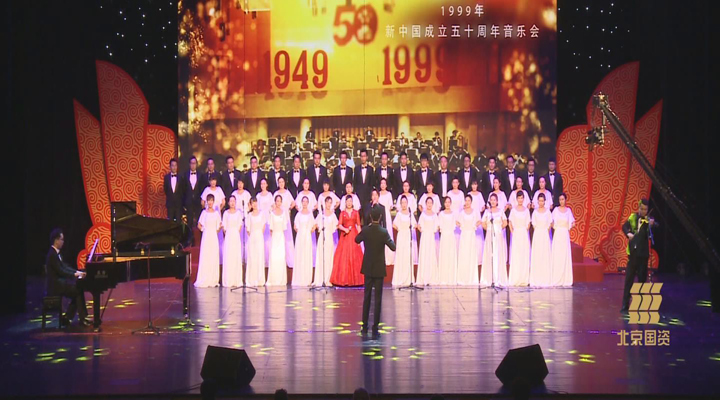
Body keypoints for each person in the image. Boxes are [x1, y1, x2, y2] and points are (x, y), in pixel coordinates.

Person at [355, 207, 396, 338]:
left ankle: (364, 326)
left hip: (368, 267)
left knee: (367, 297)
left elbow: (356, 239)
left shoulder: (366, 230)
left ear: (371, 218)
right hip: (379, 268)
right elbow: (393, 247)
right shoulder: (383, 232)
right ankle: (375, 328)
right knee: (378, 299)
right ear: (380, 217)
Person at [621, 198, 658, 312]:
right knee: (629, 280)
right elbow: (624, 226)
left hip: (643, 254)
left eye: (645, 209)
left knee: (642, 280)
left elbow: (657, 225)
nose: (643, 211)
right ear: (639, 208)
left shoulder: (648, 220)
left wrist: (652, 224)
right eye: (642, 209)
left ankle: (640, 305)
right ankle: (625, 305)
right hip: (633, 254)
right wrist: (628, 233)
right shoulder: (633, 217)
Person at [46, 229, 89, 326]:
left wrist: (77, 272)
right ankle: (81, 318)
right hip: (56, 286)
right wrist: (75, 275)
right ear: (56, 240)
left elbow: (65, 267)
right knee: (78, 290)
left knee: (78, 290)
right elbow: (61, 271)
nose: (63, 242)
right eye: (62, 239)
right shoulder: (52, 255)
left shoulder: (57, 253)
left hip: (60, 283)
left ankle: (69, 317)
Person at [330, 195, 364, 287]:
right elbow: (339, 225)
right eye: (348, 201)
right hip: (345, 236)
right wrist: (345, 229)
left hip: (354, 235)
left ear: (352, 202)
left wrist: (360, 237)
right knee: (343, 256)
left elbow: (358, 225)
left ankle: (356, 280)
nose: (349, 203)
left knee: (355, 255)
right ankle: (343, 280)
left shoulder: (356, 213)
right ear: (345, 202)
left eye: (350, 201)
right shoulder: (342, 213)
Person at [480, 193, 508, 287]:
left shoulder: (500, 211)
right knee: (489, 254)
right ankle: (489, 278)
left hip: (498, 235)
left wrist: (498, 229)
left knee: (497, 254)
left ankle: (498, 278)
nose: (492, 202)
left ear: (497, 201)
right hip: (489, 234)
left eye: (494, 200)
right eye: (491, 200)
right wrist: (488, 229)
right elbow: (483, 223)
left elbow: (505, 222)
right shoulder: (487, 212)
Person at [195, 194, 221, 288]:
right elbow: (199, 225)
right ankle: (204, 278)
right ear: (206, 202)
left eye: (211, 200)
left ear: (213, 202)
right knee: (206, 256)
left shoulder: (216, 213)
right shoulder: (204, 213)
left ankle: (213, 279)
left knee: (213, 256)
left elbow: (219, 226)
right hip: (206, 237)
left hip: (213, 237)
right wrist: (204, 230)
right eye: (208, 200)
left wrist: (213, 231)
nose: (210, 202)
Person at [392, 195, 417, 286]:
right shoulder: (399, 214)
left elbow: (415, 224)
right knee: (401, 255)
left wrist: (410, 228)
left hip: (408, 235)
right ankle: (400, 278)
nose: (404, 204)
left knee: (407, 255)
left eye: (405, 202)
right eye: (402, 203)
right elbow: (394, 224)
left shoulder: (410, 214)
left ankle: (408, 278)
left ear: (407, 203)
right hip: (401, 235)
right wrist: (400, 229)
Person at [551, 193, 575, 287]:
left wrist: (567, 227)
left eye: (563, 199)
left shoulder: (568, 211)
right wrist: (555, 227)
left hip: (564, 234)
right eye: (560, 199)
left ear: (565, 200)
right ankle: (556, 278)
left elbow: (573, 223)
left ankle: (565, 279)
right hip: (558, 234)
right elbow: (551, 221)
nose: (561, 201)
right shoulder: (556, 210)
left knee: (564, 255)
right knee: (557, 255)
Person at [529, 193, 553, 287]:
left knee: (545, 254)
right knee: (537, 254)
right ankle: (536, 278)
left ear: (545, 201)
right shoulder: (535, 212)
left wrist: (545, 231)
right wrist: (539, 232)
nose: (541, 202)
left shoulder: (548, 212)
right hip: (537, 234)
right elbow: (534, 224)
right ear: (537, 201)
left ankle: (545, 278)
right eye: (539, 201)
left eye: (542, 201)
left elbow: (550, 223)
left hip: (545, 234)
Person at [313, 197, 338, 287]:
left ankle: (327, 279)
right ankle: (319, 279)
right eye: (327, 202)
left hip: (329, 237)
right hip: (322, 236)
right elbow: (316, 224)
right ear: (325, 203)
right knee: (321, 257)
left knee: (328, 257)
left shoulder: (333, 215)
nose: (328, 204)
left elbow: (336, 225)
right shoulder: (321, 215)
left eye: (330, 202)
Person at [456, 195, 481, 285]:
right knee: (464, 254)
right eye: (466, 200)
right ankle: (463, 278)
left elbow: (479, 221)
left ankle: (472, 278)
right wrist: (463, 226)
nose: (467, 202)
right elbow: (457, 222)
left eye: (469, 200)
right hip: (464, 235)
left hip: (471, 235)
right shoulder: (462, 213)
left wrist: (473, 226)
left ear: (471, 202)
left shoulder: (475, 212)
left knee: (471, 254)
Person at [508, 192, 531, 287]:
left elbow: (528, 223)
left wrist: (524, 232)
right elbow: (510, 222)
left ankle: (524, 279)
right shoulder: (513, 210)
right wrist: (513, 232)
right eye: (519, 198)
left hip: (523, 234)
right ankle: (516, 278)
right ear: (516, 199)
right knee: (516, 255)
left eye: (522, 198)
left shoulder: (526, 211)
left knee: (524, 255)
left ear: (523, 199)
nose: (520, 200)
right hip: (516, 233)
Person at [292, 196, 316, 287]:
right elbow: (295, 226)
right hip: (300, 236)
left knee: (306, 255)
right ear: (301, 203)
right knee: (300, 255)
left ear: (308, 203)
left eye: (306, 201)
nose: (305, 203)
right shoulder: (298, 214)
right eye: (303, 201)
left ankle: (306, 279)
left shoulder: (310, 214)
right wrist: (299, 231)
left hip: (307, 236)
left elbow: (314, 225)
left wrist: (309, 231)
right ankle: (299, 278)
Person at [416, 197, 439, 286]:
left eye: (430, 203)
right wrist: (422, 230)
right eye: (428, 203)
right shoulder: (423, 214)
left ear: (432, 204)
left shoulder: (434, 215)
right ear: (426, 204)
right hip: (424, 236)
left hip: (431, 237)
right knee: (424, 254)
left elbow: (437, 226)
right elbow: (419, 225)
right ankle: (423, 277)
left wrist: (433, 230)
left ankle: (431, 278)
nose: (429, 204)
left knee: (431, 254)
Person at [274, 176, 296, 268]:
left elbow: (293, 202)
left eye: (282, 182)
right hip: (278, 219)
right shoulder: (276, 193)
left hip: (286, 218)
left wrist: (289, 209)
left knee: (288, 239)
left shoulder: (287, 193)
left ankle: (289, 260)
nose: (281, 184)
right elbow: (273, 205)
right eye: (279, 182)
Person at [266, 195, 288, 287]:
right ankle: (273, 279)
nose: (278, 203)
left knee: (281, 257)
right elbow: (270, 228)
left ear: (281, 202)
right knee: (274, 257)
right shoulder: (272, 213)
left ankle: (281, 279)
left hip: (281, 236)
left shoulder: (284, 213)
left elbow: (284, 227)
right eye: (277, 201)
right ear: (275, 202)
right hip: (274, 237)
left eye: (280, 201)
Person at [222, 196, 244, 287]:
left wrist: (235, 233)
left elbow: (240, 226)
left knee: (236, 256)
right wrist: (228, 234)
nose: (232, 203)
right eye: (230, 201)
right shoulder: (226, 213)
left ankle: (236, 280)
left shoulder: (238, 213)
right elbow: (224, 226)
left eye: (233, 201)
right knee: (229, 256)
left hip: (235, 236)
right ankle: (228, 280)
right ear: (228, 203)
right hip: (228, 236)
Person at [394, 180, 418, 264]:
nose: (406, 188)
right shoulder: (400, 196)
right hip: (402, 223)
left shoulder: (412, 197)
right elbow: (397, 209)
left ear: (409, 187)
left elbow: (414, 208)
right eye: (404, 186)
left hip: (409, 222)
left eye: (407, 186)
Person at [246, 197, 267, 287]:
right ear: (250, 205)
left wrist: (259, 234)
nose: (254, 204)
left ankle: (259, 279)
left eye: (255, 202)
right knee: (252, 257)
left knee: (259, 256)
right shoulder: (249, 215)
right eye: (252, 203)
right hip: (252, 237)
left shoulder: (261, 214)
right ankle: (251, 279)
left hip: (259, 237)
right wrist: (252, 235)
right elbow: (248, 229)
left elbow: (263, 226)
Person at [438, 197, 459, 285]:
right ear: (444, 203)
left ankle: (451, 278)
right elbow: (439, 226)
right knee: (444, 255)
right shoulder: (441, 214)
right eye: (446, 202)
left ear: (451, 203)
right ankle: (443, 278)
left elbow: (457, 223)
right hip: (444, 236)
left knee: (451, 255)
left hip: (451, 236)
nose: (447, 204)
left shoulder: (454, 214)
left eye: (448, 202)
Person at [183, 156, 204, 246]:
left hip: (198, 202)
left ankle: (199, 241)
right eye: (191, 163)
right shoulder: (185, 175)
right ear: (189, 164)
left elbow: (202, 188)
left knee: (199, 221)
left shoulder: (200, 175)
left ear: (196, 164)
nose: (193, 165)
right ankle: (189, 241)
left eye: (194, 163)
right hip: (189, 202)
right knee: (190, 221)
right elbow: (183, 190)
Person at [377, 178, 395, 265]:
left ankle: (389, 257)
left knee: (387, 233)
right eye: (381, 183)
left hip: (386, 215)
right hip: (379, 215)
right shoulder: (378, 194)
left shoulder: (389, 194)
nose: (383, 185)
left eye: (384, 183)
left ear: (386, 185)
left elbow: (391, 206)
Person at [256, 179, 274, 265]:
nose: (263, 185)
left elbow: (273, 206)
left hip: (268, 218)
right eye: (261, 184)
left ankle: (268, 260)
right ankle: (261, 260)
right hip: (260, 219)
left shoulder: (270, 195)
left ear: (267, 185)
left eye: (264, 183)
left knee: (268, 240)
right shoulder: (258, 196)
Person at [468, 180, 486, 264]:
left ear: (477, 185)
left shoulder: (479, 194)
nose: (474, 186)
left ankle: (479, 258)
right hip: (470, 217)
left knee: (478, 238)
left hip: (477, 216)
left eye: (475, 184)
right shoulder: (469, 194)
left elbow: (483, 206)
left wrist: (479, 210)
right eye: (473, 184)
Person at [164, 158, 184, 222]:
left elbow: (182, 190)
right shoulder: (166, 177)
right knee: (170, 223)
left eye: (175, 165)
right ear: (170, 167)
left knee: (178, 222)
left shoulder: (181, 177)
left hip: (179, 205)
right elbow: (166, 190)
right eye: (173, 165)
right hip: (170, 205)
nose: (174, 167)